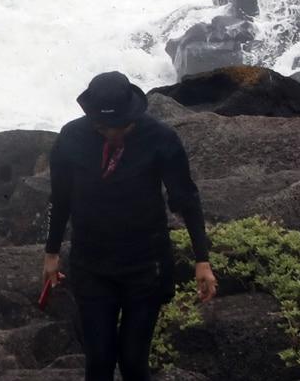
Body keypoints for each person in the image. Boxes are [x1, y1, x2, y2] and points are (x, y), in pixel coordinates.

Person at [42, 71, 218, 381]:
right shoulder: (71, 138)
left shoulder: (160, 138)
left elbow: (186, 198)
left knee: (133, 361)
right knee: (99, 361)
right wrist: (51, 253)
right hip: (91, 264)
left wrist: (202, 260)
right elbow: (61, 199)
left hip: (145, 266)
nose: (111, 133)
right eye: (102, 127)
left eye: (119, 125)